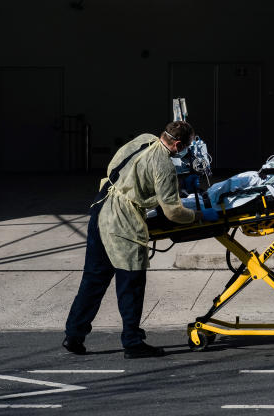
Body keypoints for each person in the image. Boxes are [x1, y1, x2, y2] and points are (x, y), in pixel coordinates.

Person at [63, 120, 215, 358]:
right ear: (177, 144)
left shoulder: (143, 139)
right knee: (131, 283)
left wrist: (137, 188)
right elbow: (173, 211)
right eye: (185, 147)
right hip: (123, 221)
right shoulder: (163, 165)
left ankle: (74, 334)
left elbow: (116, 166)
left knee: (94, 279)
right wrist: (197, 216)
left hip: (101, 208)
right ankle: (133, 343)